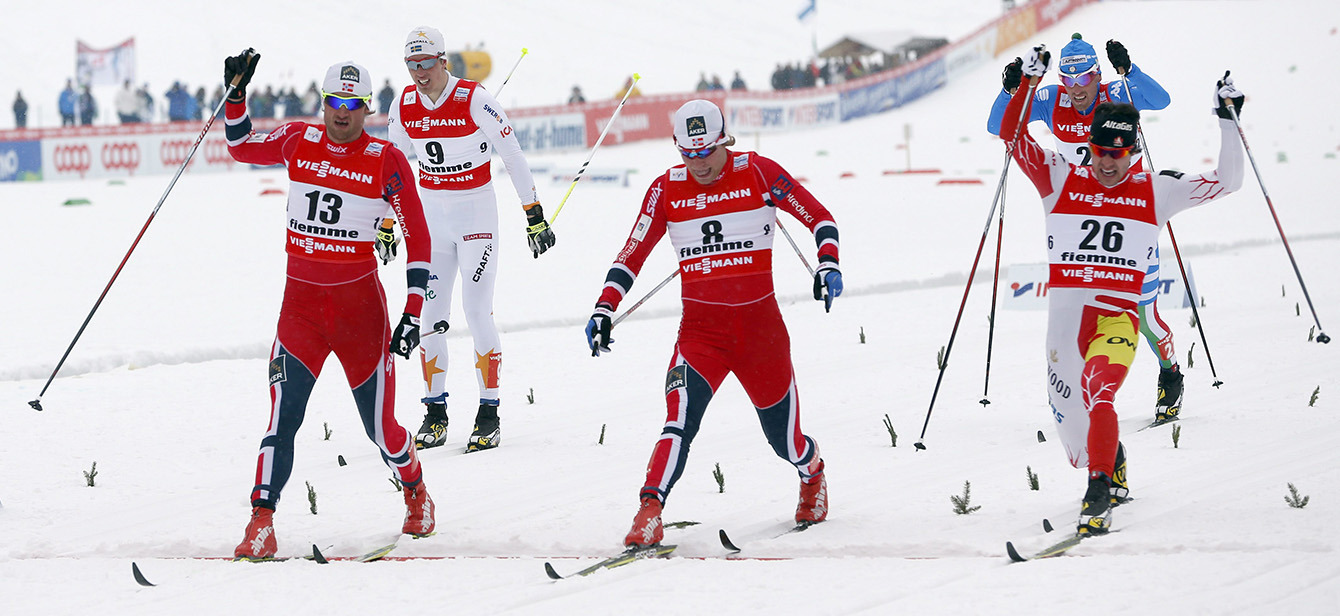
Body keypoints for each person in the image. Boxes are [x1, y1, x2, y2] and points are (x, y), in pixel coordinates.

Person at [997, 44, 1245, 535]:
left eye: (1121, 152)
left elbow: (1230, 181)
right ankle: (1110, 462)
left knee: (1101, 396)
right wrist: (1026, 84)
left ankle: (1098, 492)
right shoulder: (1057, 176)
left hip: (1115, 317)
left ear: (1134, 150)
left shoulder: (1157, 189)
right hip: (1065, 326)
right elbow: (1010, 135)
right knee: (1075, 434)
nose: (1111, 162)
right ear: (1089, 146)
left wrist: (1228, 120)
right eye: (1103, 151)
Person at [586, 99, 842, 549]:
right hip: (701, 336)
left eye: (707, 153)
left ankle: (812, 471)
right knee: (678, 420)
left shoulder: (759, 171)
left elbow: (820, 217)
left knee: (784, 441)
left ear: (726, 141)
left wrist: (827, 265)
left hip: (760, 334)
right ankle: (649, 511)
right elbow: (632, 254)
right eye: (688, 154)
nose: (699, 164)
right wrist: (604, 307)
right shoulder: (665, 188)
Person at [221, 51, 437, 560]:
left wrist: (412, 312)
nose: (342, 112)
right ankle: (261, 520)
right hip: (300, 311)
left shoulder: (386, 159)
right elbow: (239, 146)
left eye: (353, 103)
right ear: (323, 103)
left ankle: (415, 491)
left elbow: (420, 239)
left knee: (381, 431)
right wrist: (234, 96)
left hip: (360, 314)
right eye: (334, 102)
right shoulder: (300, 139)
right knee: (282, 419)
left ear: (367, 108)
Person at [987, 35, 1184, 424]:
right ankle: (1077, 395)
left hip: (1129, 219)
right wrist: (1011, 91)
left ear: (1097, 74)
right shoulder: (1050, 100)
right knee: (1078, 315)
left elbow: (1161, 100)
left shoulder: (1117, 92)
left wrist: (1130, 70)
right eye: (1068, 80)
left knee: (1143, 317)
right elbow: (999, 126)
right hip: (1078, 223)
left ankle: (1171, 374)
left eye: (1084, 79)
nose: (1077, 90)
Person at [384, 26, 555, 453]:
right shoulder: (403, 104)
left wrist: (533, 213)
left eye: (426, 63)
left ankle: (488, 413)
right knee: (428, 317)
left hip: (476, 216)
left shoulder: (474, 98)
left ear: (443, 61)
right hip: (431, 224)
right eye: (411, 65)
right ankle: (435, 412)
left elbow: (513, 155)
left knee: (477, 311)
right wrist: (386, 224)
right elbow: (393, 167)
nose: (419, 73)